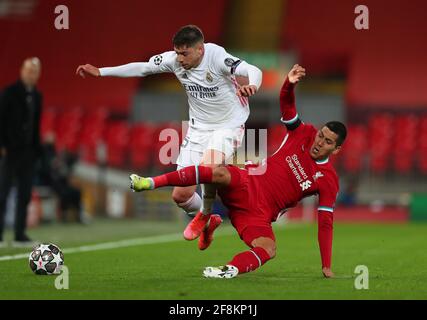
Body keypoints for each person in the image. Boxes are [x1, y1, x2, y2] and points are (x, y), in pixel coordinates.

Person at [129, 64, 347, 279]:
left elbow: (325, 223)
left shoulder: (329, 180)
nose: (319, 142)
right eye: (321, 135)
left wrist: (326, 265)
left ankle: (229, 269)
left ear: (336, 149)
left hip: (258, 213)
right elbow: (287, 105)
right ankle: (151, 183)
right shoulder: (304, 133)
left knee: (269, 248)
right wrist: (288, 84)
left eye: (327, 142)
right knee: (217, 171)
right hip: (248, 181)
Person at [76, 25, 262, 241]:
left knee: (207, 168)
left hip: (228, 125)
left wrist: (253, 86)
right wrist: (101, 71)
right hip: (198, 128)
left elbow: (252, 69)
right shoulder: (173, 60)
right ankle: (210, 221)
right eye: (177, 53)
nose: (180, 59)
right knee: (181, 195)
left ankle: (204, 213)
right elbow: (142, 68)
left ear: (200, 49)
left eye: (185, 53)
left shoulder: (217, 56)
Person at [0, 57, 43, 246]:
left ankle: (19, 233)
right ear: (21, 71)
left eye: (34, 71)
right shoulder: (9, 93)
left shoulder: (37, 96)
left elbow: (35, 126)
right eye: (28, 70)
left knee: (25, 194)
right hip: (10, 150)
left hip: (28, 152)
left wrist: (36, 149)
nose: (31, 74)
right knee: (3, 192)